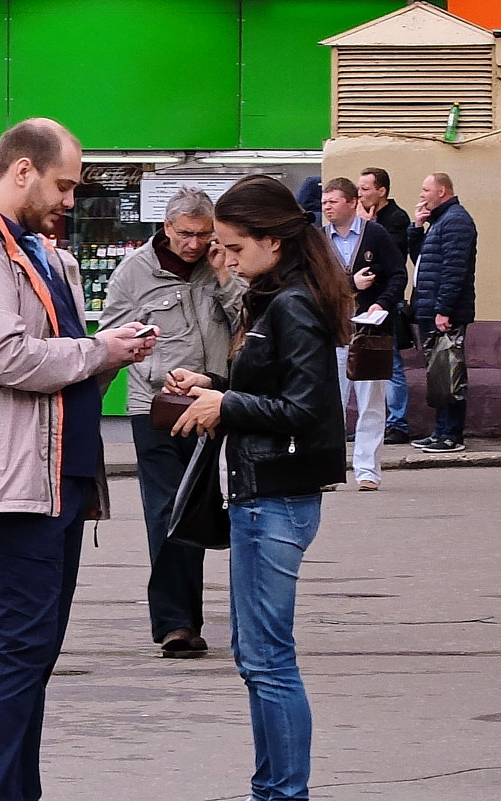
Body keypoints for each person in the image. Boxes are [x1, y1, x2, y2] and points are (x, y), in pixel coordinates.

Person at [0, 118, 155, 801]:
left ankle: (16, 791)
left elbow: (66, 372)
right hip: (4, 477)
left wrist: (113, 351)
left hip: (56, 473)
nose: (70, 201)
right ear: (21, 170)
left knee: (36, 646)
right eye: (64, 184)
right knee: (22, 642)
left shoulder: (48, 256)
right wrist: (101, 350)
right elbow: (8, 357)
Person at [167, 175, 350, 801]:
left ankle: (282, 793)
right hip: (262, 495)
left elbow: (307, 409)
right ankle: (272, 788)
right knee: (257, 657)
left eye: (235, 248)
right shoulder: (276, 296)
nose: (229, 263)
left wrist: (227, 404)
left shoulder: (293, 304)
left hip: (275, 499)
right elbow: (270, 386)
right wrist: (213, 383)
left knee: (268, 660)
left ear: (272, 242)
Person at [99, 187, 245, 657]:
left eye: (204, 234)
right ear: (166, 228)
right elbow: (112, 337)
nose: (195, 244)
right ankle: (176, 624)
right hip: (155, 406)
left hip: (213, 401)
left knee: (201, 506)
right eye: (187, 234)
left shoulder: (220, 263)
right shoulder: (134, 273)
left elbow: (249, 320)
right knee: (167, 510)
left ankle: (195, 616)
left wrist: (224, 274)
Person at [321, 177, 406, 491]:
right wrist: (350, 283)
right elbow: (313, 284)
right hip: (334, 332)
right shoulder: (319, 240)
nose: (327, 208)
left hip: (370, 333)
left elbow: (398, 275)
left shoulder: (376, 235)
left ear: (351, 202)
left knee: (371, 402)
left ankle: (367, 471)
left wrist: (381, 303)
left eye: (332, 202)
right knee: (331, 403)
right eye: (324, 203)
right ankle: (328, 470)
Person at [408, 172, 477, 454]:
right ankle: (440, 431)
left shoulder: (456, 221)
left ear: (442, 191)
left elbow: (453, 269)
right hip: (430, 308)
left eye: (426, 189)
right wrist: (416, 228)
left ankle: (451, 435)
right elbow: (422, 262)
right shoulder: (439, 222)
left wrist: (443, 310)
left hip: (444, 312)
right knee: (438, 373)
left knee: (450, 372)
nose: (422, 194)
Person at [357, 167, 414, 445]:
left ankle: (398, 423)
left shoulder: (396, 219)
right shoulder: (358, 222)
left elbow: (390, 261)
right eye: (358, 189)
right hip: (360, 307)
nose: (360, 194)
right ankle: (368, 423)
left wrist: (371, 227)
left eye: (366, 189)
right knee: (363, 365)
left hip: (385, 304)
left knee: (390, 364)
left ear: (382, 191)